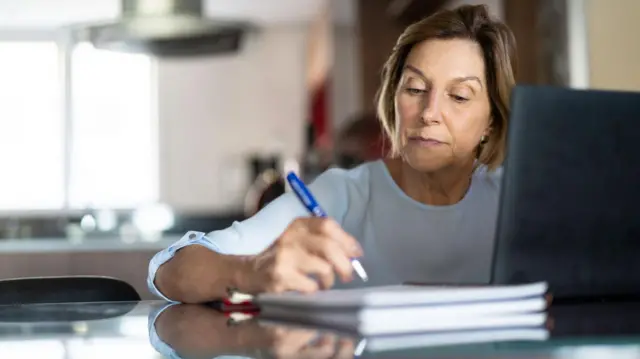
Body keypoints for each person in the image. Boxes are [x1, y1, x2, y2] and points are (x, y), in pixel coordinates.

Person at [148, 4, 517, 303]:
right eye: (415, 88)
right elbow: (167, 269)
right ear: (394, 99)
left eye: (459, 96)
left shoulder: (516, 202)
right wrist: (248, 271)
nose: (429, 112)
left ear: (490, 120)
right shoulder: (342, 195)